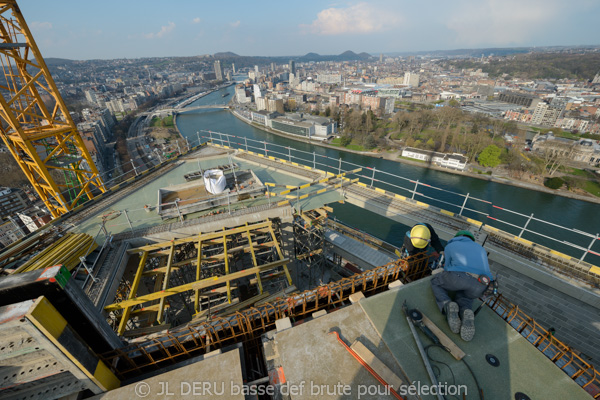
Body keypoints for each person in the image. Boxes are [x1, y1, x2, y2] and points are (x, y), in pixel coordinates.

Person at [430, 230, 491, 342]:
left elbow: (447, 267)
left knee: (435, 282)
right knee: (465, 297)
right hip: (481, 284)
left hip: (459, 278)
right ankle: (465, 311)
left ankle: (447, 305)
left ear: (457, 237)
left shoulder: (451, 245)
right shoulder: (481, 249)